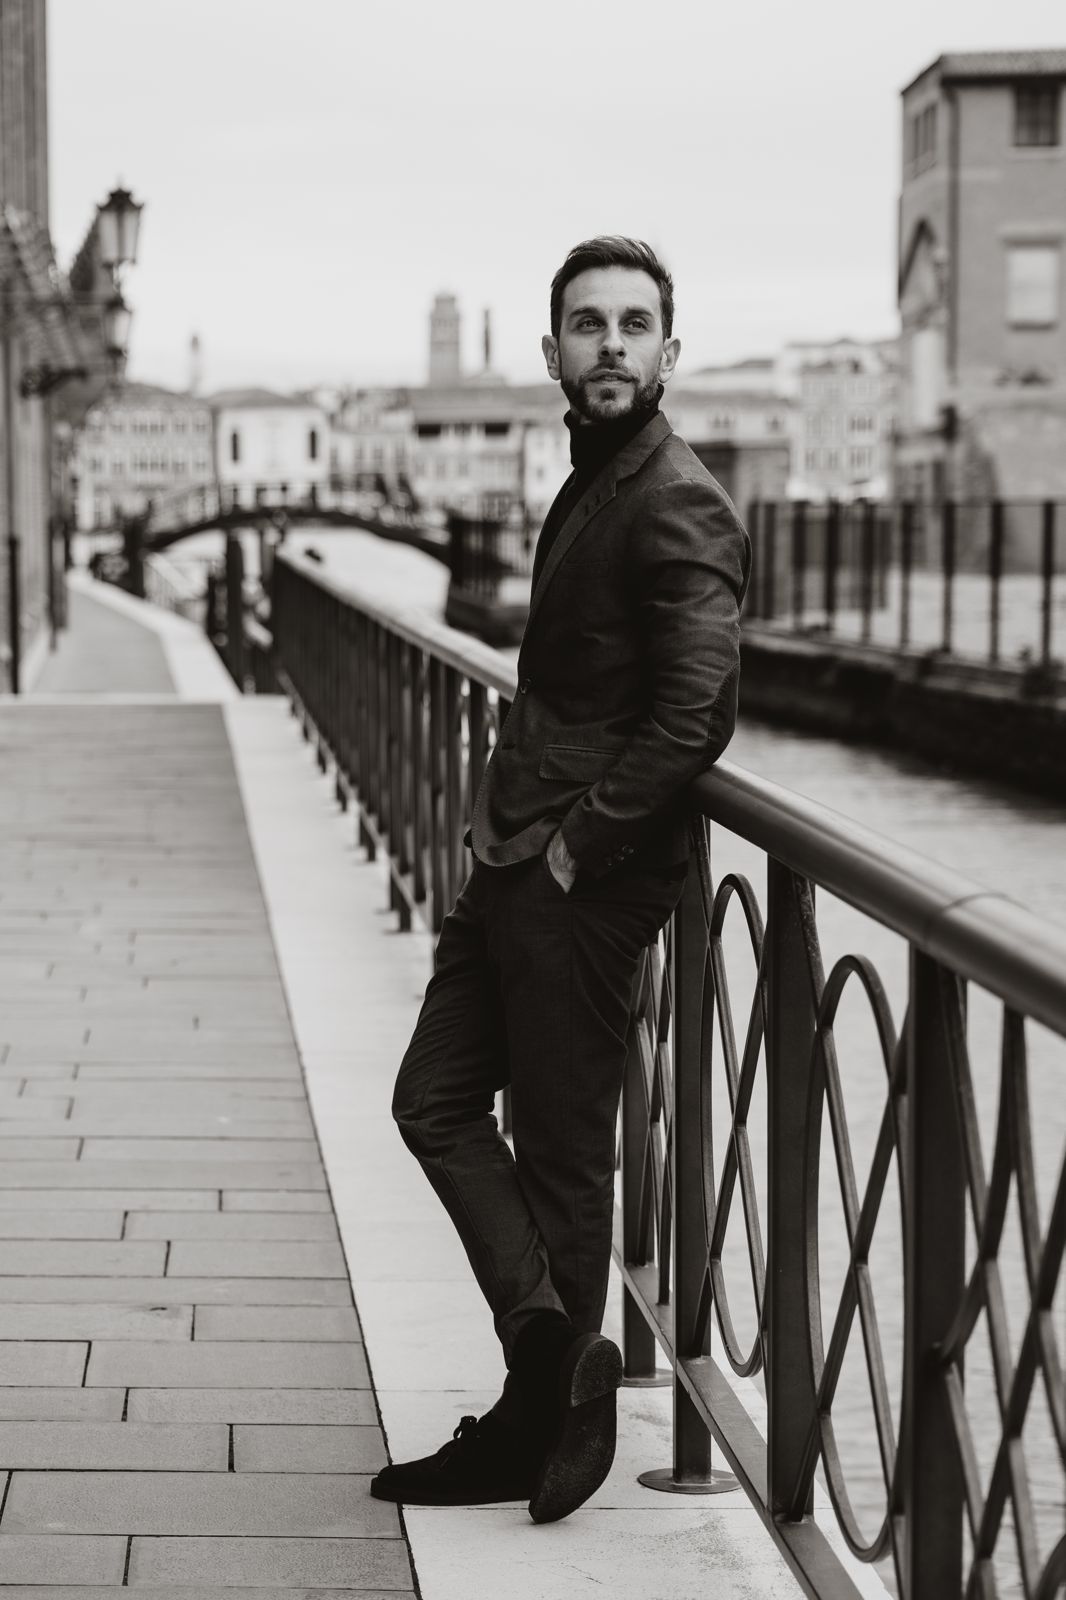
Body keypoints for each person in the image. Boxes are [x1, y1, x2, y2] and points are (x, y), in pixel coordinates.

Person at [371, 236, 750, 1523]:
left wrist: (582, 843)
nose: (609, 345)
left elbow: (697, 711)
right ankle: (550, 1350)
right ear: (551, 353)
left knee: (564, 1153)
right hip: (516, 855)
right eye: (586, 324)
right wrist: (518, 838)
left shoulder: (675, 496)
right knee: (431, 1102)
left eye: (633, 325)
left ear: (666, 353)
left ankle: (536, 1428)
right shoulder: (592, 479)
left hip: (583, 875)